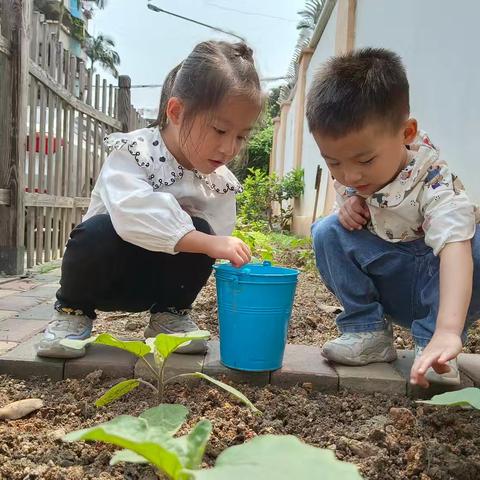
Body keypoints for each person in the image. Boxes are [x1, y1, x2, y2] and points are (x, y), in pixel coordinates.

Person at [36, 40, 263, 359]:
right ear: (177, 112)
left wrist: (215, 244)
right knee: (97, 231)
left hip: (158, 285)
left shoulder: (218, 180)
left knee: (205, 230)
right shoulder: (134, 153)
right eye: (219, 130)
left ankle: (169, 316)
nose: (229, 149)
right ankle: (72, 314)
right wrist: (197, 237)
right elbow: (132, 212)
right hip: (106, 277)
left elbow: (217, 236)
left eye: (241, 136)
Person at [307, 48, 479, 387]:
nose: (351, 176)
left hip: (442, 285)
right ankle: (366, 329)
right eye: (334, 163)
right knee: (327, 231)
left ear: (407, 133)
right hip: (392, 282)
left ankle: (435, 346)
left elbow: (455, 248)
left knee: (473, 242)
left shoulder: (434, 181)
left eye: (365, 161)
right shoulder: (353, 179)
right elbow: (346, 229)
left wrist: (447, 331)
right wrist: (344, 208)